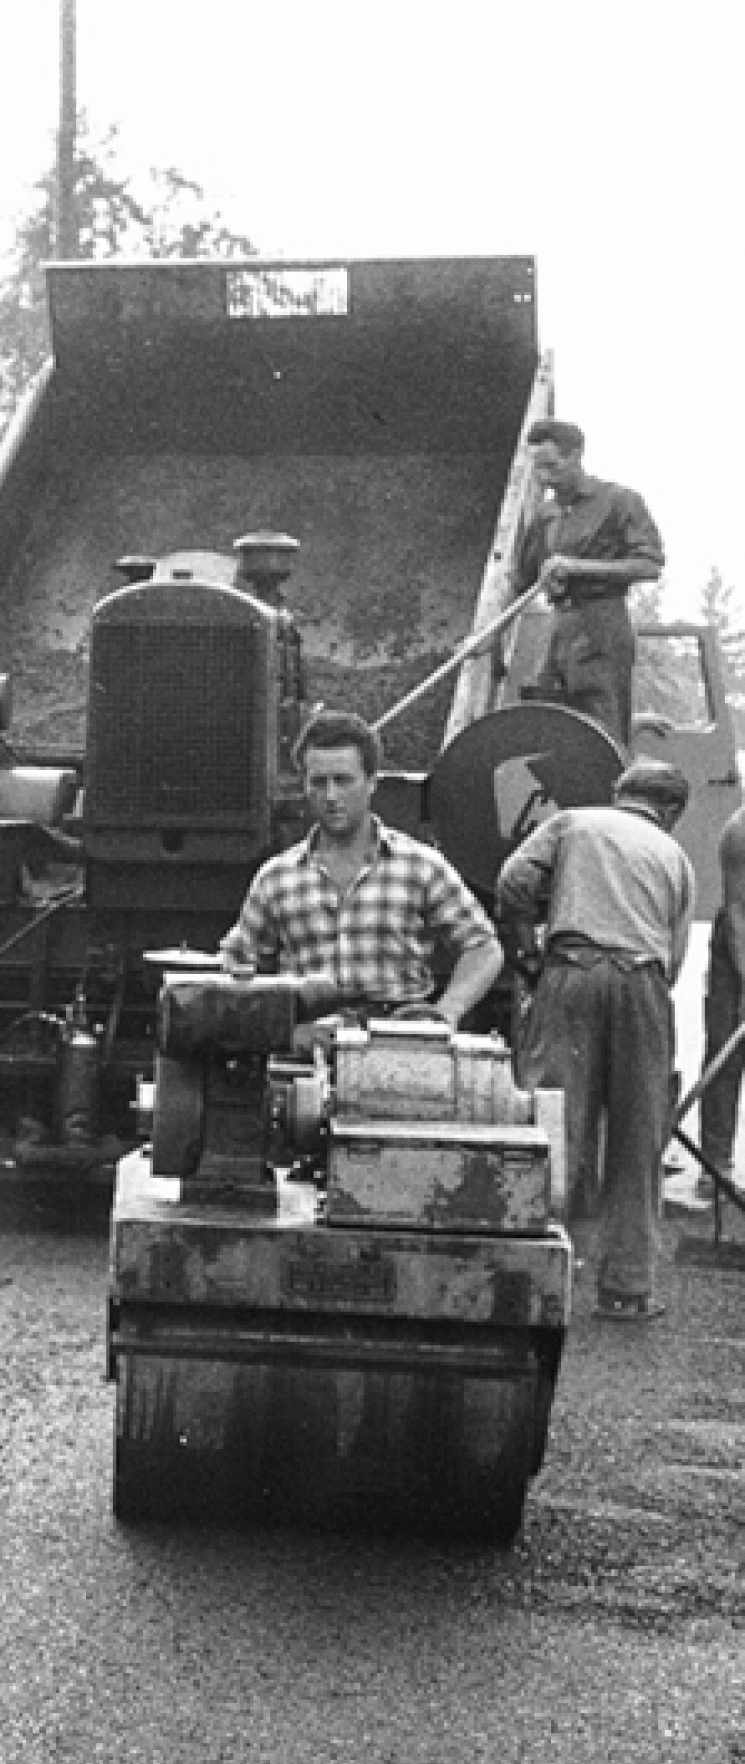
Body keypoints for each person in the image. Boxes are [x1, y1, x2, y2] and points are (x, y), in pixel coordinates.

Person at [496, 761, 695, 1322]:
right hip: (644, 987)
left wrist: (528, 953)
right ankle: (627, 1288)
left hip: (572, 974)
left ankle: (527, 1282)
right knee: (639, 1137)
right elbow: (674, 963)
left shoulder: (575, 823)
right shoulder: (677, 859)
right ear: (672, 814)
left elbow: (514, 882)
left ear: (617, 794)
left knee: (552, 1129)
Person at [219, 709, 505, 1025]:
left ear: (371, 782)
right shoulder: (276, 879)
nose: (331, 796)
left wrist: (446, 1012)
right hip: (304, 1051)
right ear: (304, 786)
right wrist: (275, 1026)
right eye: (319, 782)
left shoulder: (420, 868)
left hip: (397, 1046)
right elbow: (235, 965)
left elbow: (483, 948)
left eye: (343, 781)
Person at [514, 418, 664, 748]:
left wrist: (577, 567)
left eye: (552, 467)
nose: (544, 478)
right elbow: (520, 584)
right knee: (552, 737)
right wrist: (488, 640)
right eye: (537, 469)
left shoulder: (620, 500)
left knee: (604, 736)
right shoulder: (545, 515)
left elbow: (650, 564)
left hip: (604, 628)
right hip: (558, 633)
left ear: (577, 455)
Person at [698, 800, 745, 1201]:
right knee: (726, 1051)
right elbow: (737, 912)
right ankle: (715, 1166)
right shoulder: (740, 829)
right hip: (738, 943)